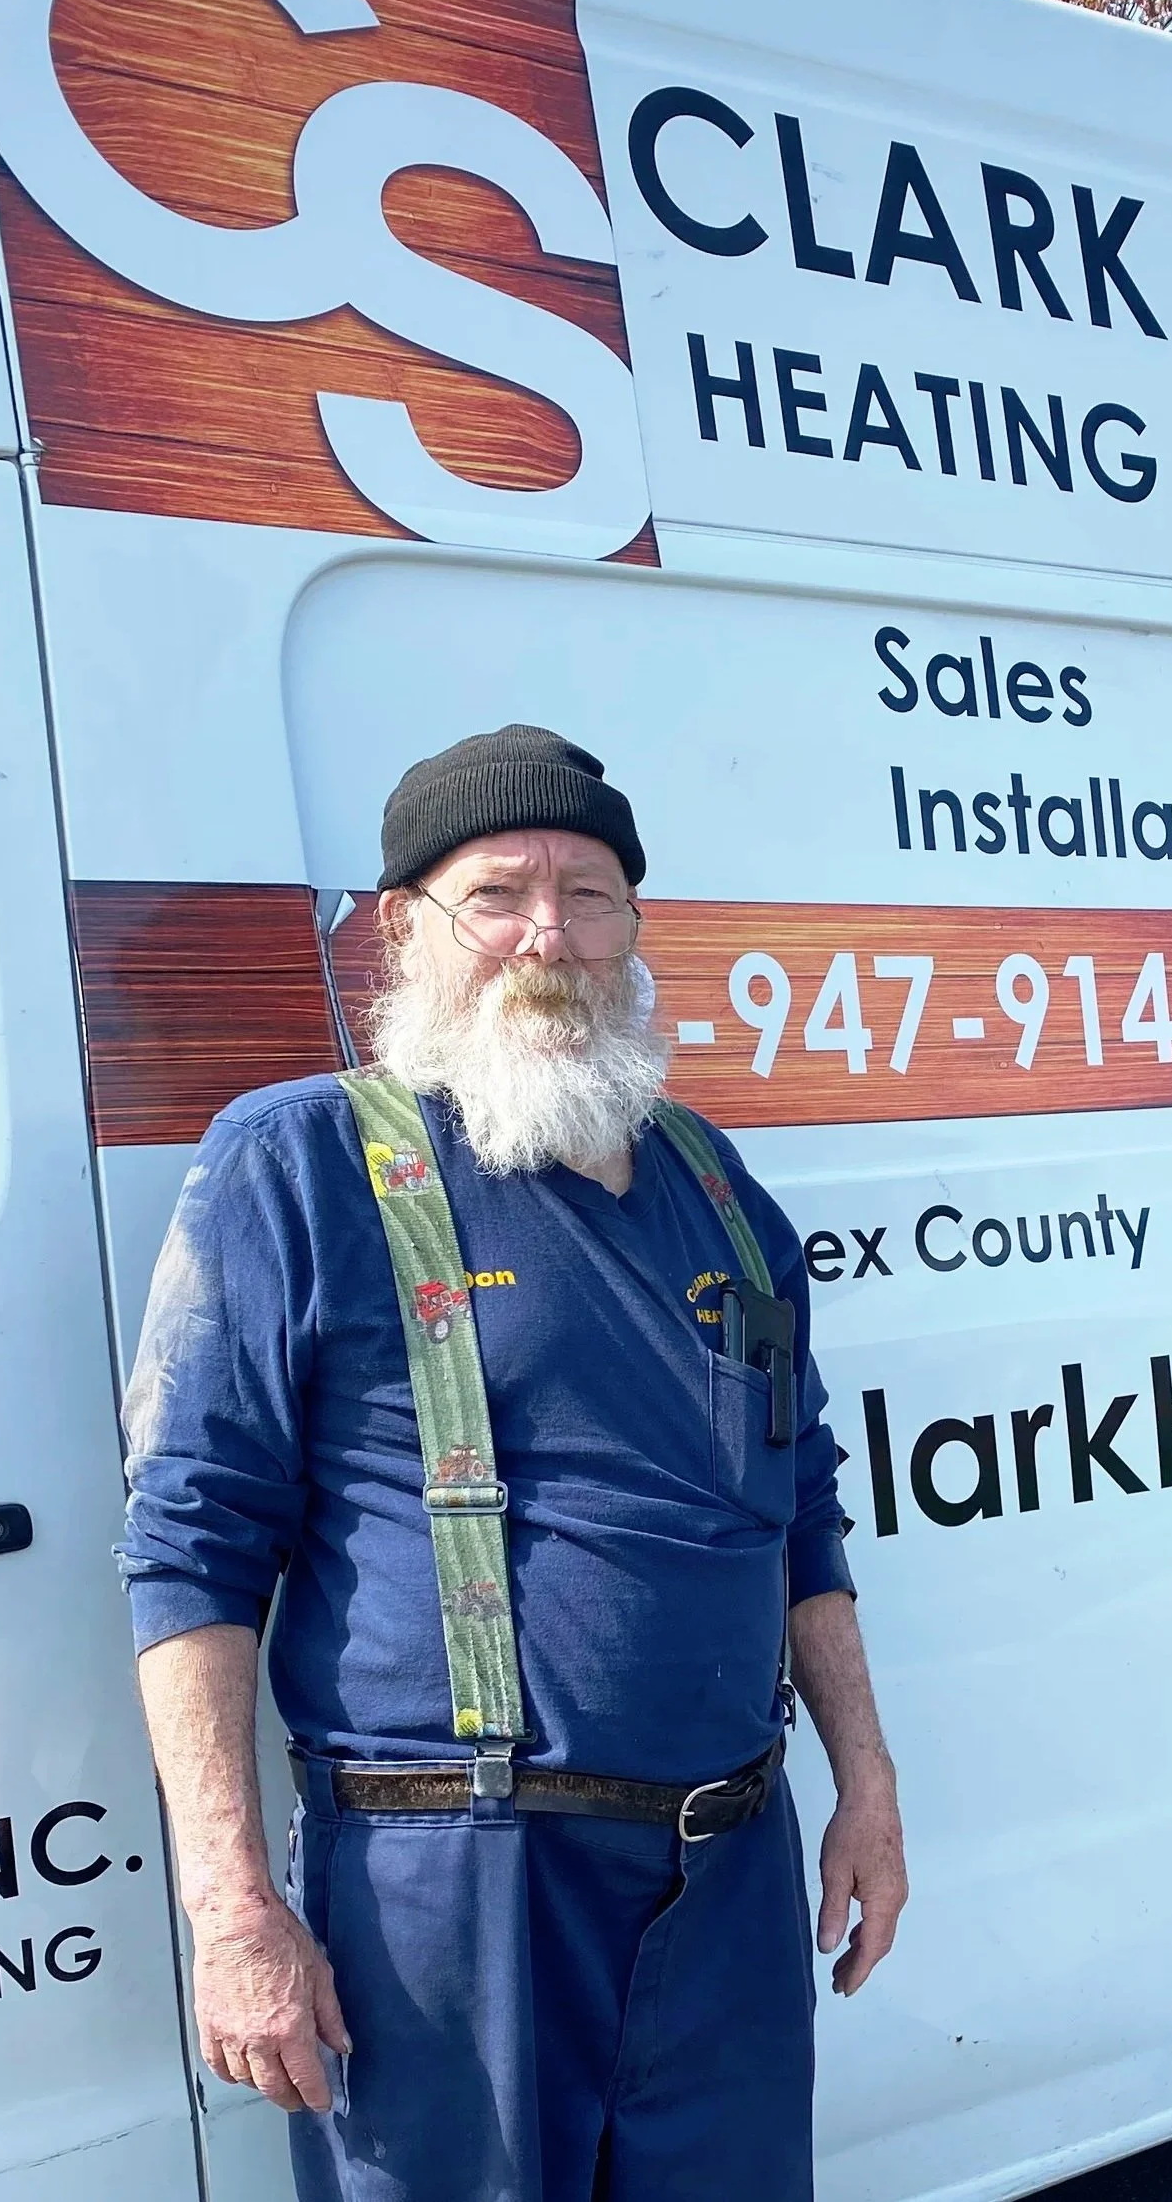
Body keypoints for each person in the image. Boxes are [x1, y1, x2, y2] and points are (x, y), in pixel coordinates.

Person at [119, 725, 907, 2201]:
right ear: (403, 930)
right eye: (499, 893)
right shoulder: (297, 1166)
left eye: (591, 894)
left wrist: (866, 1783)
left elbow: (803, 1510)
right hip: (453, 1899)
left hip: (727, 1879)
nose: (550, 934)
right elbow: (189, 1549)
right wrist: (232, 1909)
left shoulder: (718, 1186)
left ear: (635, 931)